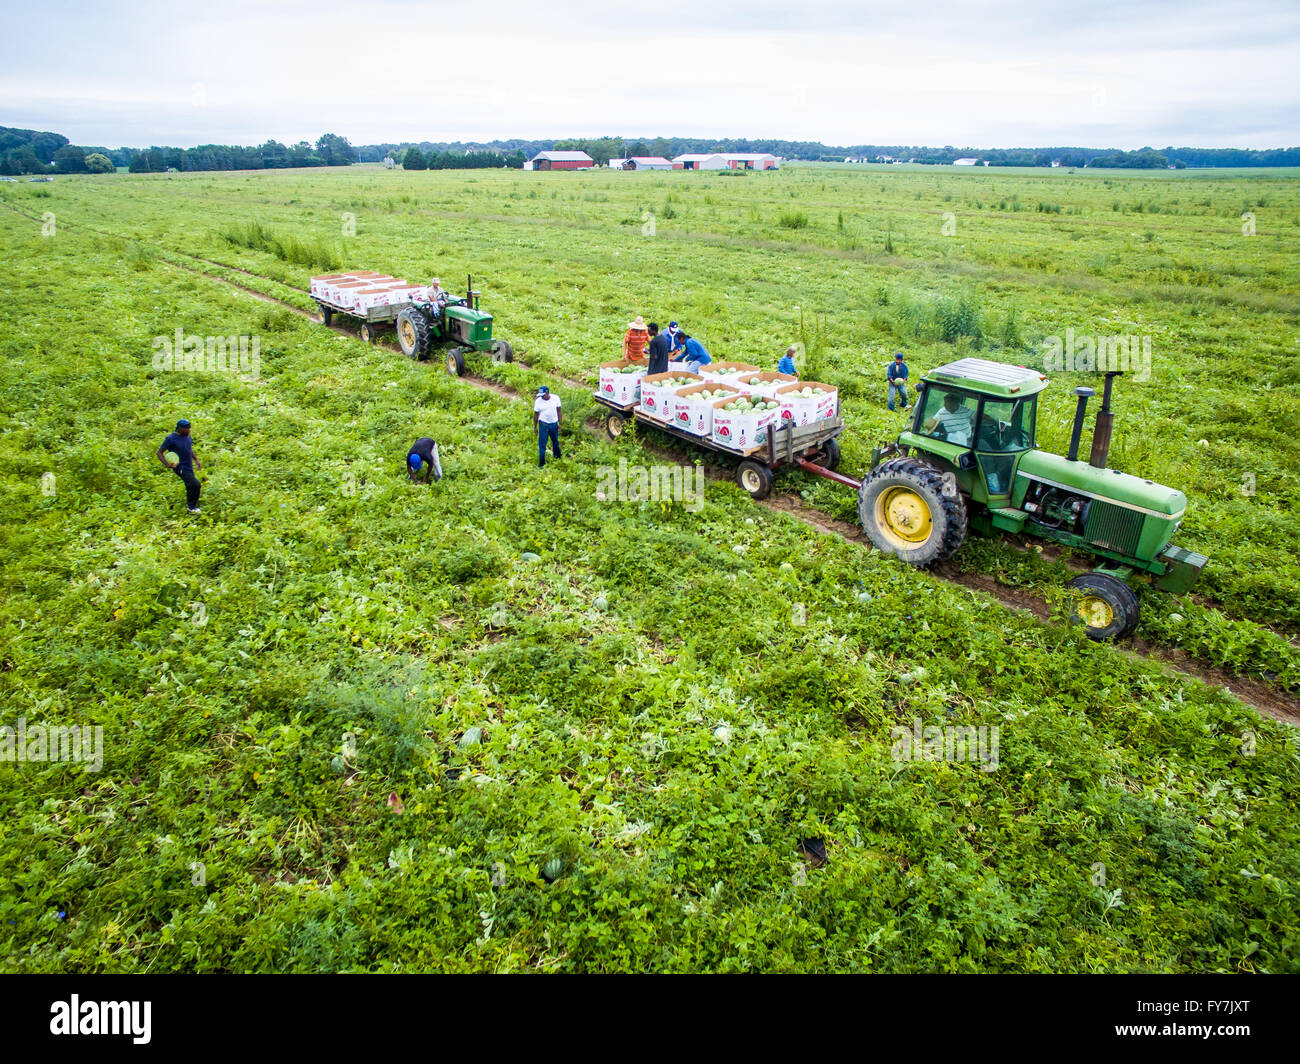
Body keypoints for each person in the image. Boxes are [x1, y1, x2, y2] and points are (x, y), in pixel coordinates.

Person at [157, 418, 202, 514]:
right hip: (180, 467)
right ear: (180, 428)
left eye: (189, 428)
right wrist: (167, 464)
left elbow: (189, 448)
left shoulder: (187, 436)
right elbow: (159, 452)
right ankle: (191, 508)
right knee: (196, 485)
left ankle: (191, 506)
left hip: (189, 465)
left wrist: (196, 460)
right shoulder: (171, 439)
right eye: (186, 429)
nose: (189, 430)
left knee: (190, 485)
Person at [533, 385, 562, 468]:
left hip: (554, 424)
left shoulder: (555, 398)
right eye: (540, 395)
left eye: (543, 395)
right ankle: (541, 464)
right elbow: (535, 415)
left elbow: (559, 411)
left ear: (548, 393)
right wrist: (535, 427)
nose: (541, 397)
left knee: (555, 442)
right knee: (542, 445)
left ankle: (557, 458)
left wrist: (560, 424)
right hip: (543, 425)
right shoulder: (538, 401)